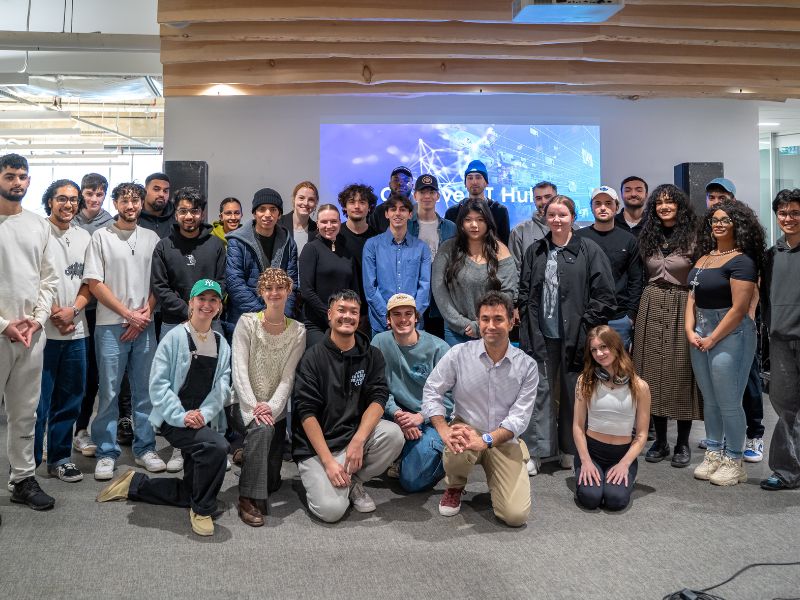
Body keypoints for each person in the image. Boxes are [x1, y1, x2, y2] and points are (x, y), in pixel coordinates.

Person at [96, 280, 231, 537]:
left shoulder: (221, 343)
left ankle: (135, 485)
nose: (207, 304)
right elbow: (157, 386)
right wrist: (182, 415)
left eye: (213, 300)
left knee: (192, 487)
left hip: (204, 417)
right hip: (174, 418)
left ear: (219, 307)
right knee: (217, 447)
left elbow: (223, 386)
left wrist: (205, 413)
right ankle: (202, 509)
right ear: (191, 303)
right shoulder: (174, 338)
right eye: (201, 298)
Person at [422, 291, 537, 526]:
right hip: (467, 430)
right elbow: (432, 391)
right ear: (478, 321)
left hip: (503, 437)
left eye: (498, 319)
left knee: (515, 516)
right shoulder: (459, 354)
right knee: (457, 437)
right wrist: (443, 430)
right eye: (485, 319)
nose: (491, 326)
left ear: (512, 321)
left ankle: (515, 457)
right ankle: (455, 486)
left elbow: (519, 418)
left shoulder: (527, 366)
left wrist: (485, 440)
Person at [518, 194, 616, 469]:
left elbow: (605, 295)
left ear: (573, 217)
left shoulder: (589, 250)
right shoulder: (535, 251)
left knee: (575, 392)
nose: (557, 220)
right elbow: (525, 295)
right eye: (552, 215)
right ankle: (537, 452)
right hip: (541, 335)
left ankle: (571, 449)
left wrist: (585, 328)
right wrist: (528, 331)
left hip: (576, 335)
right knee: (540, 391)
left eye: (562, 215)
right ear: (545, 218)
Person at [292, 290, 404, 523]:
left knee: (393, 434)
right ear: (330, 314)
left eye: (354, 312)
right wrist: (329, 462)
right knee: (331, 511)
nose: (347, 316)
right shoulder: (312, 358)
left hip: (352, 439)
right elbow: (306, 412)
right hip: (318, 448)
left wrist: (358, 440)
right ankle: (328, 477)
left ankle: (353, 482)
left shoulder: (372, 355)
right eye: (341, 310)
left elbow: (378, 398)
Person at [83, 182, 165, 480]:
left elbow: (159, 281)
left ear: (141, 204)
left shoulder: (152, 237)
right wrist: (127, 314)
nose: (131, 206)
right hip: (110, 325)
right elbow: (94, 283)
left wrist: (145, 312)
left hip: (144, 325)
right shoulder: (101, 237)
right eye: (124, 201)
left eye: (136, 201)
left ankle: (145, 448)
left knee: (145, 392)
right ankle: (106, 450)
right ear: (116, 204)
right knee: (109, 392)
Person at [687, 200, 763, 486]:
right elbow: (691, 297)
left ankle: (734, 459)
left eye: (725, 220)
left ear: (737, 225)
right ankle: (715, 452)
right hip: (701, 330)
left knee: (729, 401)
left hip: (730, 333)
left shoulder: (742, 260)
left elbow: (739, 309)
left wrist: (712, 337)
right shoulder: (704, 258)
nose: (718, 224)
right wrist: (689, 329)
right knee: (711, 400)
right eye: (715, 220)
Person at [0, 153, 58, 513]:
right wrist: (4, 323)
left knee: (25, 412)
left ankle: (22, 479)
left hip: (32, 335)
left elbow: (49, 279)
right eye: (10, 175)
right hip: (1, 331)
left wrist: (37, 320)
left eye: (23, 176)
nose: (17, 182)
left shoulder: (40, 225)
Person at [633, 184, 702, 468]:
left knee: (681, 372)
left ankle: (682, 443)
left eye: (669, 202)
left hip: (682, 304)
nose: (664, 206)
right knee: (651, 373)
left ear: (679, 205)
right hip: (651, 303)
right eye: (659, 202)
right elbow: (639, 275)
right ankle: (660, 441)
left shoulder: (696, 235)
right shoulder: (647, 235)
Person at [230, 268, 306, 525]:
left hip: (276, 410)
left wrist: (271, 408)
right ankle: (246, 498)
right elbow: (239, 370)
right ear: (261, 293)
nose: (274, 293)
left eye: (279, 288)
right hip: (244, 405)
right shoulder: (247, 322)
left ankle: (249, 455)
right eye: (269, 289)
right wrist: (254, 408)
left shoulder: (298, 331)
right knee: (261, 431)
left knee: (272, 483)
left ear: (288, 291)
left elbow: (288, 378)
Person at [34, 180, 92, 483]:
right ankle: (26, 465)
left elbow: (90, 282)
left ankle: (59, 458)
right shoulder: (36, 232)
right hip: (41, 332)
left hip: (75, 332)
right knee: (36, 403)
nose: (67, 204)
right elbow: (29, 278)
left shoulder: (85, 237)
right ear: (49, 202)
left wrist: (74, 310)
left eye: (73, 199)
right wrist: (53, 313)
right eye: (61, 199)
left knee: (70, 399)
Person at [704, 178, 765, 463]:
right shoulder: (709, 237)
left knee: (747, 380)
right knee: (719, 387)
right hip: (712, 320)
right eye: (712, 196)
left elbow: (756, 279)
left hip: (738, 323)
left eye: (722, 196)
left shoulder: (744, 238)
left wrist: (749, 315)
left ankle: (754, 435)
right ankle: (724, 439)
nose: (716, 200)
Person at [371, 293, 452, 492]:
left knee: (411, 481)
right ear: (388, 320)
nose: (403, 319)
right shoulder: (379, 342)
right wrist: (397, 414)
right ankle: (405, 454)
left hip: (431, 418)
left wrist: (420, 417)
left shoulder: (439, 348)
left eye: (408, 313)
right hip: (395, 415)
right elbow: (375, 386)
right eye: (396, 314)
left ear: (417, 317)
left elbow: (450, 399)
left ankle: (448, 460)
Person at [572, 326, 651, 510]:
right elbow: (577, 426)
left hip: (622, 454)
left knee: (615, 501)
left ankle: (628, 474)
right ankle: (582, 470)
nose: (599, 353)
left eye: (604, 347)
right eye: (594, 349)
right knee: (590, 499)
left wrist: (624, 464)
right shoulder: (585, 381)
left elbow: (641, 435)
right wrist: (585, 461)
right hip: (592, 452)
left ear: (616, 347)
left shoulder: (640, 387)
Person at [432, 199, 517, 347]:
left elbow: (507, 293)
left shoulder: (501, 250)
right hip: (456, 331)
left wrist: (483, 324)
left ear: (488, 222)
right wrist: (462, 324)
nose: (474, 225)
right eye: (468, 220)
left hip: (492, 329)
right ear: (461, 223)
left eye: (480, 219)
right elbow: (439, 291)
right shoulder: (447, 249)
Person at [761, 188, 800, 491]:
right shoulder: (771, 255)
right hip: (780, 341)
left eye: (795, 212)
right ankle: (787, 472)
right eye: (783, 213)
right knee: (785, 407)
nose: (788, 218)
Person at [72, 172, 113, 457]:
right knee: (70, 374)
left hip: (99, 311)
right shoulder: (67, 221)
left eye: (99, 194)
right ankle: (59, 431)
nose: (94, 199)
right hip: (70, 309)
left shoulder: (111, 226)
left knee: (94, 377)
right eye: (89, 193)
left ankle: (82, 430)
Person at [151, 186, 226, 339]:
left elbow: (222, 281)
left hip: (210, 320)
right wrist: (189, 311)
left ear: (202, 214)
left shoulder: (216, 245)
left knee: (215, 362)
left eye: (194, 211)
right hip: (173, 322)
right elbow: (160, 287)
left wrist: (204, 309)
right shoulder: (163, 246)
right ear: (176, 214)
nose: (189, 216)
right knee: (172, 364)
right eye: (183, 211)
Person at [576, 186, 644, 349]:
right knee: (587, 368)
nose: (603, 208)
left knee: (618, 368)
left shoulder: (628, 240)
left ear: (616, 206)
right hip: (585, 317)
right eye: (598, 203)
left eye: (608, 203)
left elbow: (636, 279)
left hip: (619, 317)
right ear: (591, 207)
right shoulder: (579, 237)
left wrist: (630, 315)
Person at [226, 187, 298, 328]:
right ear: (254, 213)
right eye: (262, 209)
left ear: (279, 214)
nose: (267, 214)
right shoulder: (237, 241)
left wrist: (283, 316)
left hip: (279, 319)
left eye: (273, 209)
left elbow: (292, 284)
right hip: (244, 319)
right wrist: (262, 315)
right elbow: (235, 283)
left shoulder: (289, 243)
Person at [362, 192, 432, 337]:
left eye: (403, 209)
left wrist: (412, 317)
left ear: (410, 214)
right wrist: (387, 317)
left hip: (414, 325)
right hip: (381, 325)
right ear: (386, 214)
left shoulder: (422, 247)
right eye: (393, 209)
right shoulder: (372, 245)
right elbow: (370, 288)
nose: (398, 213)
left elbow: (424, 287)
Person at [298, 204, 358, 347]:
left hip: (343, 322)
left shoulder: (347, 252)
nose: (329, 225)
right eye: (324, 222)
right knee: (327, 355)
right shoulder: (311, 249)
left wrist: (348, 317)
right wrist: (329, 316)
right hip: (316, 323)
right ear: (317, 224)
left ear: (340, 223)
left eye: (334, 221)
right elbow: (306, 291)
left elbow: (354, 291)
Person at [408, 174, 456, 338]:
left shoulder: (450, 227)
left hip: (441, 295)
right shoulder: (406, 226)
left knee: (438, 341)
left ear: (438, 196)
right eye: (422, 192)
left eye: (431, 192)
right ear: (415, 195)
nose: (427, 196)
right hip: (413, 291)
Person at [338, 183, 378, 333]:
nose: (357, 206)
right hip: (341, 308)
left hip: (370, 312)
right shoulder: (335, 235)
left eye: (362, 202)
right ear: (344, 207)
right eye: (352, 202)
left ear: (369, 207)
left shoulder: (377, 238)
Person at [445, 160, 511, 245]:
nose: (474, 182)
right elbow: (447, 246)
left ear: (486, 183)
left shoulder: (499, 211)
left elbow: (505, 244)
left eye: (478, 177)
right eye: (470, 178)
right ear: (465, 183)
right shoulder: (453, 212)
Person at [509, 180, 556, 271]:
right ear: (534, 201)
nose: (543, 202)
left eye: (548, 197)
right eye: (538, 198)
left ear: (557, 198)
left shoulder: (573, 229)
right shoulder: (519, 232)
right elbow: (514, 272)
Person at [369, 165, 413, 233]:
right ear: (390, 184)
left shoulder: (420, 211)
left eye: (406, 180)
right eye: (396, 180)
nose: (400, 183)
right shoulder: (378, 212)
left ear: (412, 186)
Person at [279, 181, 319, 256]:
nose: (306, 203)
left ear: (316, 203)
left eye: (311, 199)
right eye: (301, 198)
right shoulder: (278, 224)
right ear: (294, 199)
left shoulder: (317, 230)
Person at [138, 172, 174, 239]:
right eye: (156, 189)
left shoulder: (177, 217)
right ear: (145, 190)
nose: (161, 194)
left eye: (165, 191)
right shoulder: (133, 215)